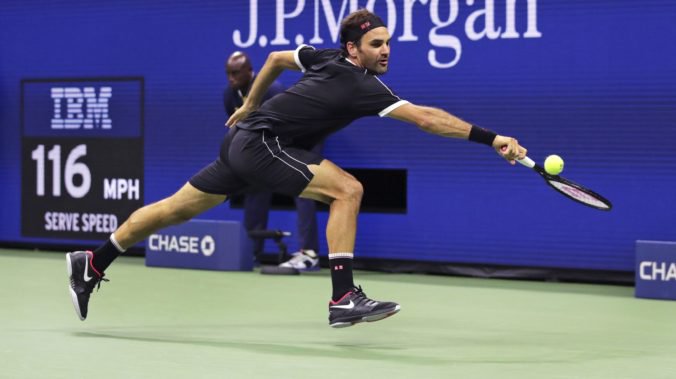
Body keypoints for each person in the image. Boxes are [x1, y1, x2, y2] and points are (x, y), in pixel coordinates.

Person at [66, 9, 527, 328]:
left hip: (244, 141)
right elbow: (428, 119)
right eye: (376, 44)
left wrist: (250, 102)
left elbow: (273, 59)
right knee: (348, 190)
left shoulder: (327, 57)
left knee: (174, 210)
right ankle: (344, 298)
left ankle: (92, 262)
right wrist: (493, 139)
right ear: (354, 48)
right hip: (264, 144)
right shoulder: (361, 84)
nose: (386, 51)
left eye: (389, 43)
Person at [224, 51, 321, 270]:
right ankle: (251, 251)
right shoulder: (229, 94)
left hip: (300, 138)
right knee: (255, 187)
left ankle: (309, 253)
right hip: (267, 144)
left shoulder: (273, 89)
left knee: (303, 190)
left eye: (235, 73)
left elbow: (293, 122)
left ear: (250, 72)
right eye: (228, 74)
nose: (231, 78)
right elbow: (236, 128)